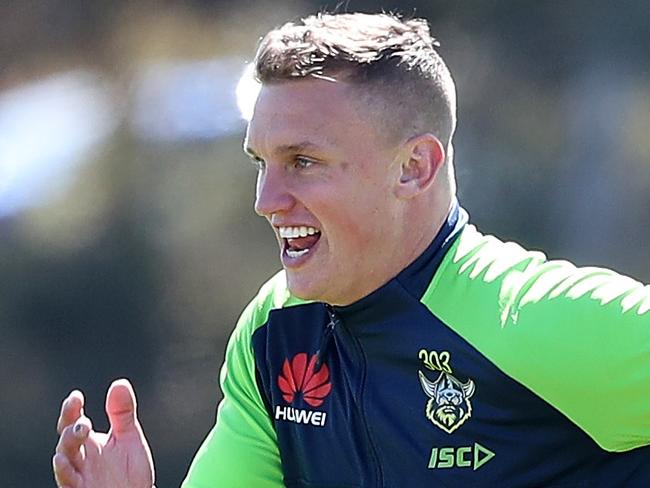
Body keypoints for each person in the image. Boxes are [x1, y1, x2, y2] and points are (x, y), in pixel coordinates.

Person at [53, 12, 650, 488]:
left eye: (303, 163)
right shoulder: (277, 330)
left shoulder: (538, 319)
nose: (266, 200)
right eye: (262, 164)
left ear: (414, 168)